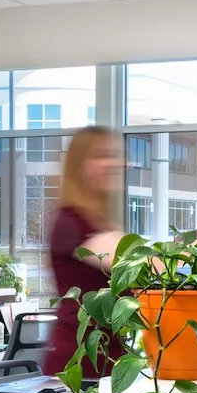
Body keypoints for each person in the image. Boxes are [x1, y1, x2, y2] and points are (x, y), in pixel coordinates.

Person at [43, 126, 127, 379]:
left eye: (114, 155)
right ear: (79, 166)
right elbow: (140, 263)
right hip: (79, 363)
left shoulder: (101, 222)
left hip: (109, 358)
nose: (113, 163)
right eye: (101, 156)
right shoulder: (71, 223)